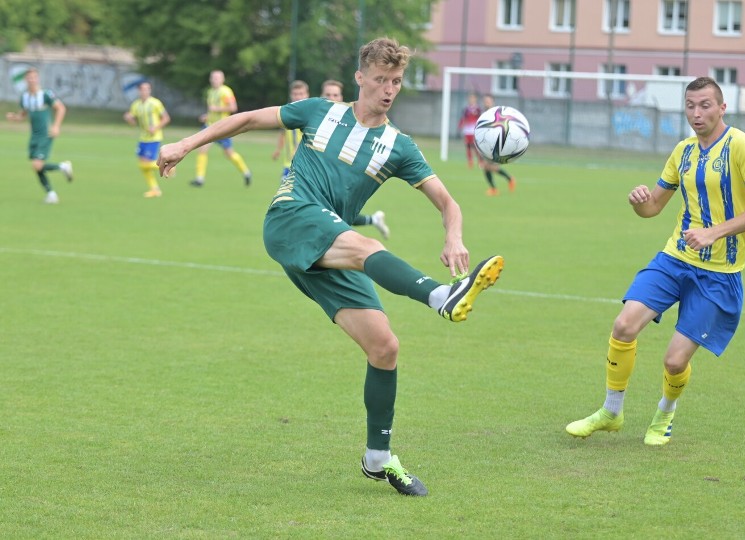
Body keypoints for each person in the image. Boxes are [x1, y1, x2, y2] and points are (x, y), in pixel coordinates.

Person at [157, 37, 504, 496]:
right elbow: (245, 120)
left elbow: (447, 201)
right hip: (291, 216)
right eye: (380, 79)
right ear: (360, 78)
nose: (387, 89)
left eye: (395, 82)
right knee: (364, 244)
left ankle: (378, 458)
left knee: (384, 348)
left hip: (328, 242)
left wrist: (453, 235)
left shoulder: (399, 147)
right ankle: (440, 296)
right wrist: (186, 142)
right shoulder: (320, 111)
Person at [565, 77, 745, 447]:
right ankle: (611, 411)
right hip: (674, 259)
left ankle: (665, 413)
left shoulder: (741, 146)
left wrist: (715, 232)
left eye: (705, 105)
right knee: (624, 325)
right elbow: (653, 209)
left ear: (722, 107)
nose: (696, 113)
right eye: (691, 106)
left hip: (719, 274)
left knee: (674, 362)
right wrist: (638, 202)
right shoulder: (682, 151)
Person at [321, 78, 391, 239]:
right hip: (311, 179)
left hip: (339, 182)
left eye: (335, 95)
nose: (332, 98)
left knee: (334, 220)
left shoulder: (351, 123)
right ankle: (373, 221)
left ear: (341, 97)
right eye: (328, 94)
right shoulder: (312, 117)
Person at [5, 67, 73, 204]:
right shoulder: (25, 97)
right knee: (37, 166)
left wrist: (56, 126)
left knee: (37, 165)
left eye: (34, 77)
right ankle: (51, 194)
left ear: (38, 78)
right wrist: (15, 117)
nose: (32, 80)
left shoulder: (45, 94)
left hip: (45, 134)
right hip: (34, 135)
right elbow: (23, 115)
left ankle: (63, 167)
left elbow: (60, 108)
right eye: (29, 77)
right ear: (26, 80)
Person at [190, 70, 252, 187]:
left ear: (222, 80)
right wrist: (207, 116)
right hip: (209, 125)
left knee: (229, 153)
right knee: (202, 149)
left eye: (217, 78)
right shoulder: (211, 92)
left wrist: (216, 109)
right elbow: (212, 110)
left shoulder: (226, 92)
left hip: (223, 127)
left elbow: (233, 108)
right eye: (213, 77)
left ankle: (246, 172)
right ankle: (199, 179)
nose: (215, 80)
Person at [123, 81, 171, 198]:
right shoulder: (136, 105)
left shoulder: (155, 103)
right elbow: (133, 123)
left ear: (150, 91)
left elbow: (166, 118)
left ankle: (168, 167)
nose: (145, 91)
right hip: (143, 138)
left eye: (147, 89)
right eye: (143, 89)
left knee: (146, 164)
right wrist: (129, 118)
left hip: (154, 138)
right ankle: (154, 189)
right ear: (139, 91)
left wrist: (156, 127)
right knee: (142, 165)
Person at [271, 79, 309, 180]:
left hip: (302, 166)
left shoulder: (309, 114)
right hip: (288, 164)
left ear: (307, 95)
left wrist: (297, 150)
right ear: (291, 95)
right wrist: (278, 149)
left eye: (301, 93)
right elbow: (283, 133)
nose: (298, 97)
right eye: (295, 94)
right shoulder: (286, 113)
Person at [479, 94, 516, 196]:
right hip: (486, 144)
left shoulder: (496, 114)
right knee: (487, 167)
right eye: (485, 101)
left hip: (495, 144)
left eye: (488, 101)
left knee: (488, 166)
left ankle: (501, 184)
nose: (486, 103)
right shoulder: (484, 114)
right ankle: (501, 184)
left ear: (492, 102)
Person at [458, 92, 481, 169]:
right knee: (468, 146)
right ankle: (470, 161)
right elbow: (463, 118)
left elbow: (480, 119)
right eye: (470, 98)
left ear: (475, 99)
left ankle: (479, 161)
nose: (471, 100)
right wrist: (460, 125)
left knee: (475, 147)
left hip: (474, 131)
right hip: (467, 131)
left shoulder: (477, 109)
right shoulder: (466, 109)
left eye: (473, 98)